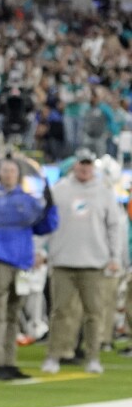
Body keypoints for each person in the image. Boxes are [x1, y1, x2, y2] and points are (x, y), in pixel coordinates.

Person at [0, 157, 57, 380]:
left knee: (13, 314)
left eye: (12, 171)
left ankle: (9, 362)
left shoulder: (27, 200)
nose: (9, 174)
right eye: (5, 170)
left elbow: (44, 226)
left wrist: (50, 206)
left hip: (21, 260)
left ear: (18, 175)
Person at [41, 151, 123, 375]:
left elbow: (114, 227)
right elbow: (47, 222)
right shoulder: (60, 189)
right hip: (63, 260)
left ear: (93, 168)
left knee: (94, 313)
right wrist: (40, 249)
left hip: (94, 262)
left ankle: (93, 357)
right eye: (81, 164)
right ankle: (54, 355)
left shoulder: (104, 192)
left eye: (88, 165)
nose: (85, 169)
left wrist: (114, 257)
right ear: (74, 166)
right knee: (59, 312)